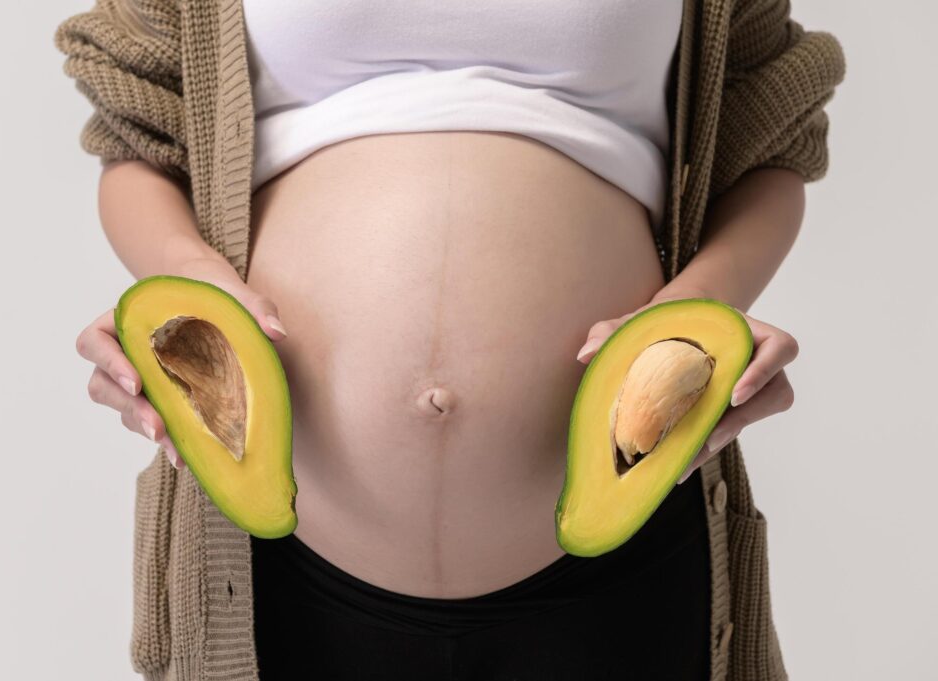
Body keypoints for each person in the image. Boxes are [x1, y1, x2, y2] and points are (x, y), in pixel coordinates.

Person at [57, 0, 845, 678]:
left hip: (625, 562)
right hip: (273, 576)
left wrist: (704, 311)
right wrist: (182, 291)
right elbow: (138, 134)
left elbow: (768, 136)